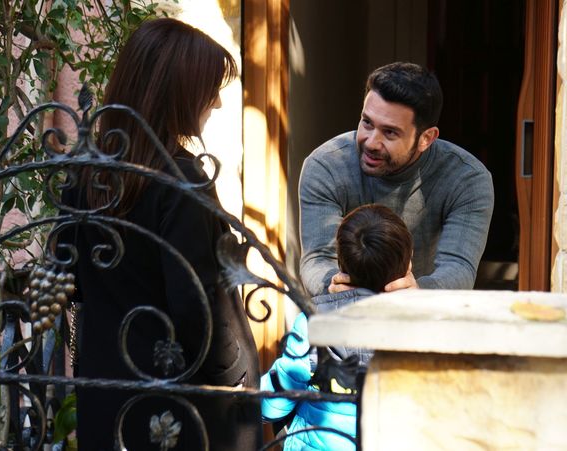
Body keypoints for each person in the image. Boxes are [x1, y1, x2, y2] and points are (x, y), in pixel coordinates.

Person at [59, 18, 260, 450]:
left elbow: (67, 278)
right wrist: (237, 374)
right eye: (209, 87)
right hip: (177, 406)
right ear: (176, 90)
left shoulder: (85, 172)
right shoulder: (180, 181)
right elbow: (196, 307)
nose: (217, 102)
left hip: (105, 391)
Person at [299, 62, 494, 297]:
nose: (371, 142)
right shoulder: (326, 166)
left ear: (426, 138)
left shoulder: (466, 179)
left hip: (426, 308)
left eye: (390, 132)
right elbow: (317, 258)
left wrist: (419, 292)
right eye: (367, 123)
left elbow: (459, 267)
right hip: (344, 306)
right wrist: (334, 286)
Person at [261, 204, 413, 450]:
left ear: (341, 264)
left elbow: (275, 401)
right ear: (407, 267)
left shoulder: (313, 322)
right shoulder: (418, 328)